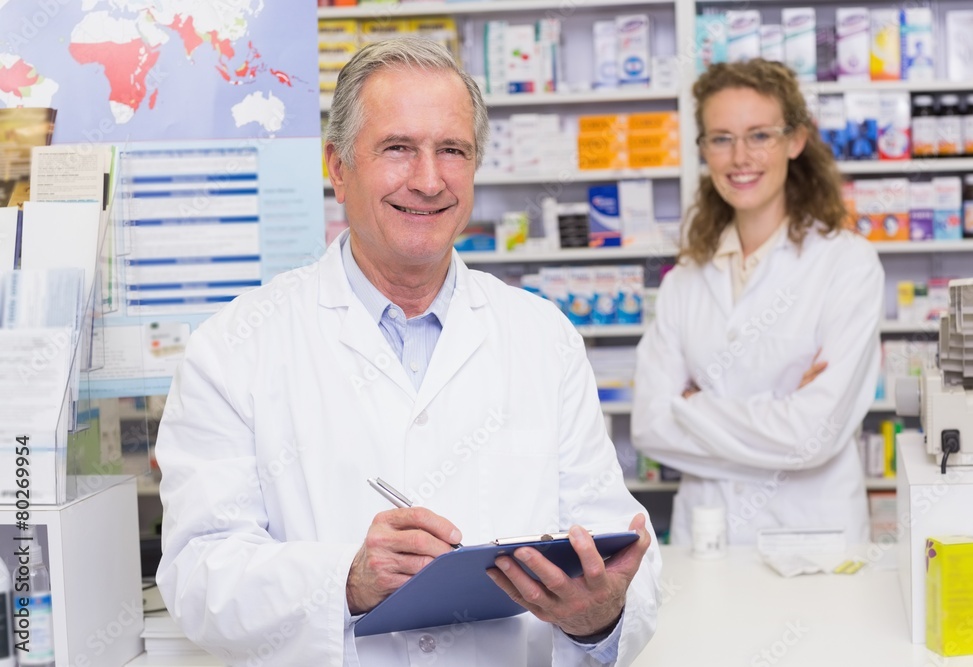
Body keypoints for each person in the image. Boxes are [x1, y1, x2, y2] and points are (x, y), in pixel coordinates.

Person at [155, 36, 661, 666]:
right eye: (398, 149)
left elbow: (618, 553)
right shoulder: (233, 348)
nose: (428, 181)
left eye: (452, 150)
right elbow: (198, 574)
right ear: (338, 167)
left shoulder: (543, 337)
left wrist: (599, 617)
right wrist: (347, 579)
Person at [631, 59, 884, 547]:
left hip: (812, 540)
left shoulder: (847, 264)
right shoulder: (686, 278)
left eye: (759, 135)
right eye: (721, 138)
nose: (739, 157)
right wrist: (782, 414)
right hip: (707, 537)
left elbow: (813, 435)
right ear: (705, 150)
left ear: (795, 140)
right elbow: (649, 426)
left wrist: (692, 406)